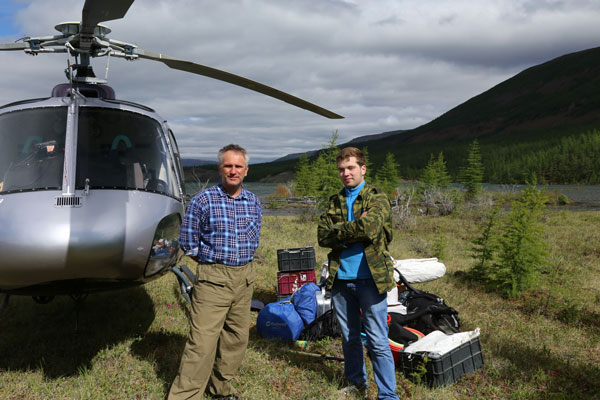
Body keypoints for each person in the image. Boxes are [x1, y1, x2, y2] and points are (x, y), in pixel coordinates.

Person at [168, 144, 262, 400]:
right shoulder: (203, 200)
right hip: (213, 278)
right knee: (202, 343)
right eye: (228, 166)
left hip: (245, 278)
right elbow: (188, 242)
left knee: (235, 339)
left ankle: (220, 390)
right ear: (220, 168)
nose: (233, 171)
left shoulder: (253, 201)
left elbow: (253, 240)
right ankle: (185, 396)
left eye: (238, 166)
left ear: (246, 170)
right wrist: (212, 263)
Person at [318, 147, 399, 400]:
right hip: (341, 278)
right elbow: (322, 236)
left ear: (362, 169)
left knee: (377, 340)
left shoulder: (377, 198)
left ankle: (387, 395)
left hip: (370, 279)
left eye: (351, 168)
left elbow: (371, 228)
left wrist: (340, 230)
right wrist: (354, 228)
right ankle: (356, 384)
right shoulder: (335, 201)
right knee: (350, 337)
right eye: (341, 169)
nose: (346, 173)